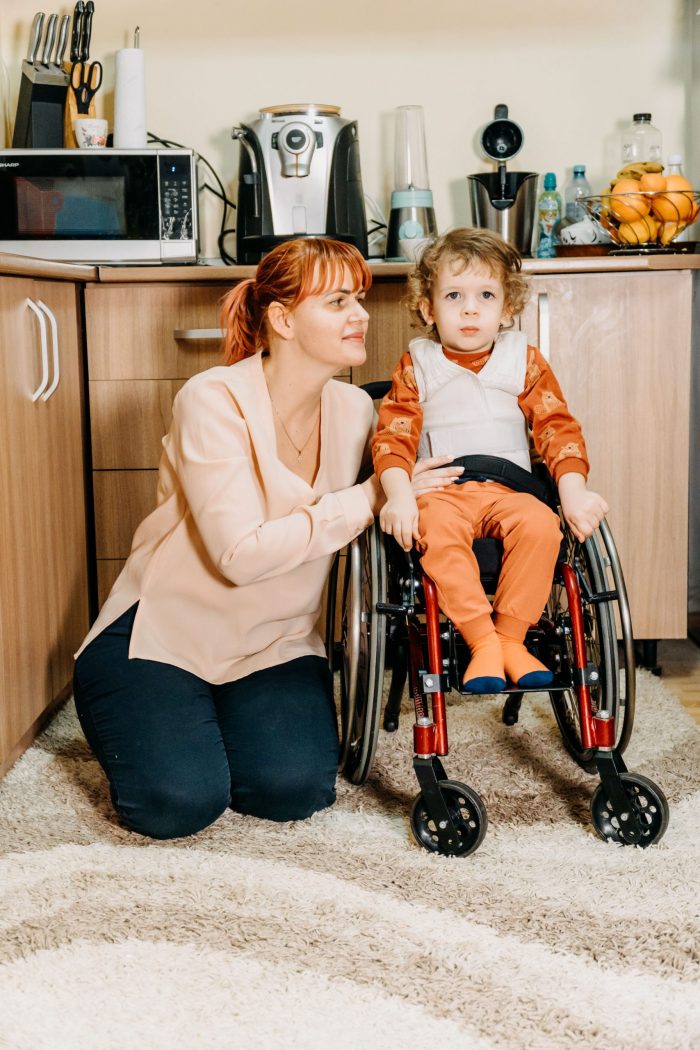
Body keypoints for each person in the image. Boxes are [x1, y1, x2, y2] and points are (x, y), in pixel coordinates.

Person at [73, 237, 461, 840]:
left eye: (359, 299)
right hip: (163, 636)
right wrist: (366, 499)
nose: (360, 315)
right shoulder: (213, 399)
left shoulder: (356, 411)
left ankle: (215, 719)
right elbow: (239, 557)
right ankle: (157, 711)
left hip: (276, 642)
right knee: (178, 803)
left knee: (292, 791)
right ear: (282, 319)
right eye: (337, 302)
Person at [372, 227, 609, 694]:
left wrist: (574, 492)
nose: (470, 309)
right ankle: (482, 641)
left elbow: (556, 428)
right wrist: (397, 495)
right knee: (434, 528)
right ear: (428, 309)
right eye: (453, 296)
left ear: (507, 309)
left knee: (543, 527)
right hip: (444, 492)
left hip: (511, 490)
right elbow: (393, 437)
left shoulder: (524, 361)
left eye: (486, 295)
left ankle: (510, 640)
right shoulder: (416, 366)